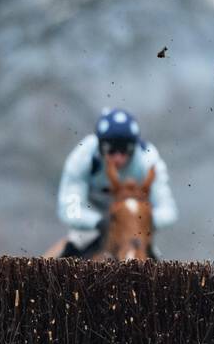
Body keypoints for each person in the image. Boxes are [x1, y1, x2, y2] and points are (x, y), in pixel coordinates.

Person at [56, 108, 178, 257]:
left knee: (158, 263)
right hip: (91, 221)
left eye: (126, 149)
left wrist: (139, 221)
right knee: (69, 251)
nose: (118, 158)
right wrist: (99, 222)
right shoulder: (82, 157)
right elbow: (69, 209)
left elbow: (168, 210)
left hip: (134, 225)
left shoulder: (149, 160)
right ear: (99, 145)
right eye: (110, 149)